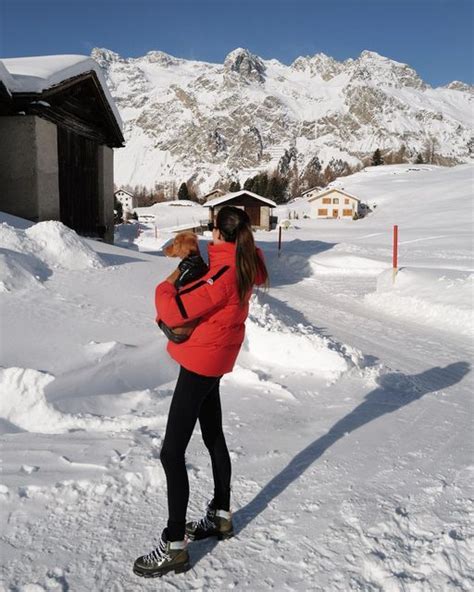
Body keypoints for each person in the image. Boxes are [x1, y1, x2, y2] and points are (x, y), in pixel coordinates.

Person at [133, 205, 268, 578]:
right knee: (212, 436)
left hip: (201, 364)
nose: (209, 233)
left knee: (171, 453)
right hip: (217, 358)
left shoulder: (225, 272)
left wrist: (172, 277)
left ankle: (174, 545)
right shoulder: (243, 261)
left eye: (211, 228)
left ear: (220, 232)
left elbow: (174, 310)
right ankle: (220, 517)